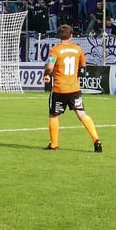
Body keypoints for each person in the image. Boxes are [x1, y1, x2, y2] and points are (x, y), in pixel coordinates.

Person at [43, 24, 101, 152]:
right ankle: (96, 139)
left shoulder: (55, 50)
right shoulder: (77, 49)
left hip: (59, 88)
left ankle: (54, 145)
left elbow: (50, 67)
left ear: (59, 36)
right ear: (71, 36)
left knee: (53, 115)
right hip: (74, 88)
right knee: (81, 114)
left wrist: (46, 75)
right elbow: (83, 64)